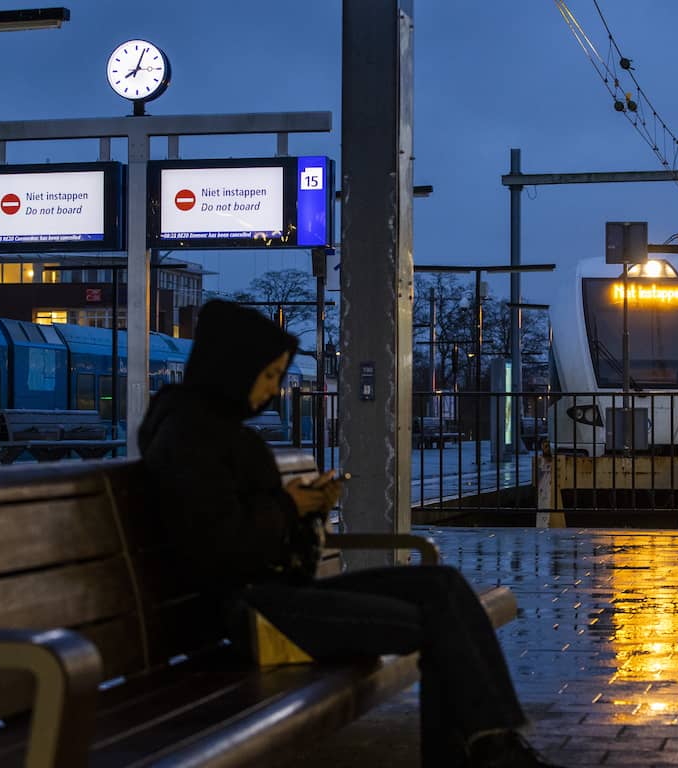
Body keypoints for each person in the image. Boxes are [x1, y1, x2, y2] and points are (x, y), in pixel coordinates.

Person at [139, 299, 562, 768]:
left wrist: (308, 510)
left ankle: (488, 746)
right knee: (441, 624)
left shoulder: (214, 431)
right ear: (230, 369)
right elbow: (218, 549)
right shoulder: (187, 439)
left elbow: (247, 528)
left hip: (271, 596)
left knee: (440, 587)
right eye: (267, 375)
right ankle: (487, 754)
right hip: (247, 613)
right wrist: (289, 505)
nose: (274, 390)